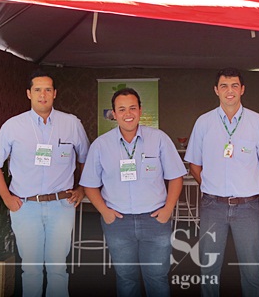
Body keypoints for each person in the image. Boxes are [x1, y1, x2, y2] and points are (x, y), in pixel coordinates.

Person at [0, 69, 90, 297]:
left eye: (48, 90)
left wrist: (82, 189)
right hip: (25, 206)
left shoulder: (71, 124)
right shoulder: (13, 126)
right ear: (29, 93)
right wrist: (7, 198)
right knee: (31, 269)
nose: (43, 95)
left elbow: (87, 161)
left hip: (61, 205)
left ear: (55, 93)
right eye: (38, 90)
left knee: (57, 268)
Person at [80, 87, 186, 297]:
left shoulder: (159, 139)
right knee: (126, 279)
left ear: (140, 110)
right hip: (118, 222)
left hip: (155, 220)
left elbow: (176, 176)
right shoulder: (101, 145)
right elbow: (89, 184)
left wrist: (168, 209)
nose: (127, 114)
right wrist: (105, 212)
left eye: (132, 108)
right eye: (121, 109)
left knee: (157, 278)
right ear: (114, 113)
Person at [184, 67, 259, 297]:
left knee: (251, 269)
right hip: (212, 206)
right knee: (209, 268)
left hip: (247, 207)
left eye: (234, 85)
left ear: (242, 89)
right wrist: (211, 185)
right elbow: (194, 165)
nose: (229, 91)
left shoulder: (258, 122)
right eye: (224, 86)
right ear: (216, 90)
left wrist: (249, 185)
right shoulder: (204, 122)